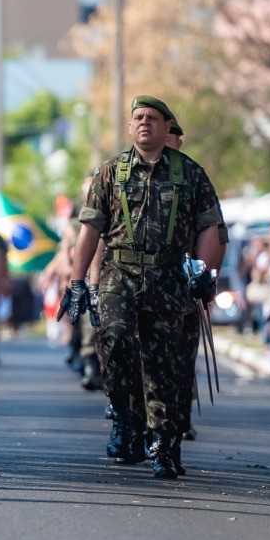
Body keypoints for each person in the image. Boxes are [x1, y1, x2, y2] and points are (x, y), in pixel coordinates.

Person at [65, 96, 225, 480]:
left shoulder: (190, 174)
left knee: (167, 365)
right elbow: (89, 229)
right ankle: (125, 418)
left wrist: (205, 274)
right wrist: (77, 281)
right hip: (119, 273)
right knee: (115, 339)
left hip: (170, 277)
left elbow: (212, 228)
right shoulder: (110, 173)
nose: (144, 123)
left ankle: (167, 445)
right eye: (138, 117)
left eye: (152, 118)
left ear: (168, 127)